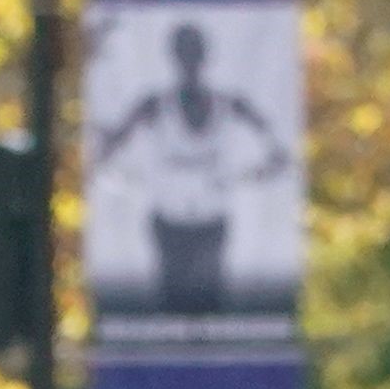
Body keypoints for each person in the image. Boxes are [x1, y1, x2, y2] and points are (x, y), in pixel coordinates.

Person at [91, 17, 295, 314]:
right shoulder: (154, 105)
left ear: (205, 56)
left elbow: (279, 154)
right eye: (184, 53)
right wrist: (130, 179)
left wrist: (249, 177)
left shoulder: (231, 104)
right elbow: (106, 153)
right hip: (168, 219)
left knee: (211, 304)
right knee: (169, 305)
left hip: (212, 220)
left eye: (195, 52)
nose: (190, 61)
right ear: (174, 57)